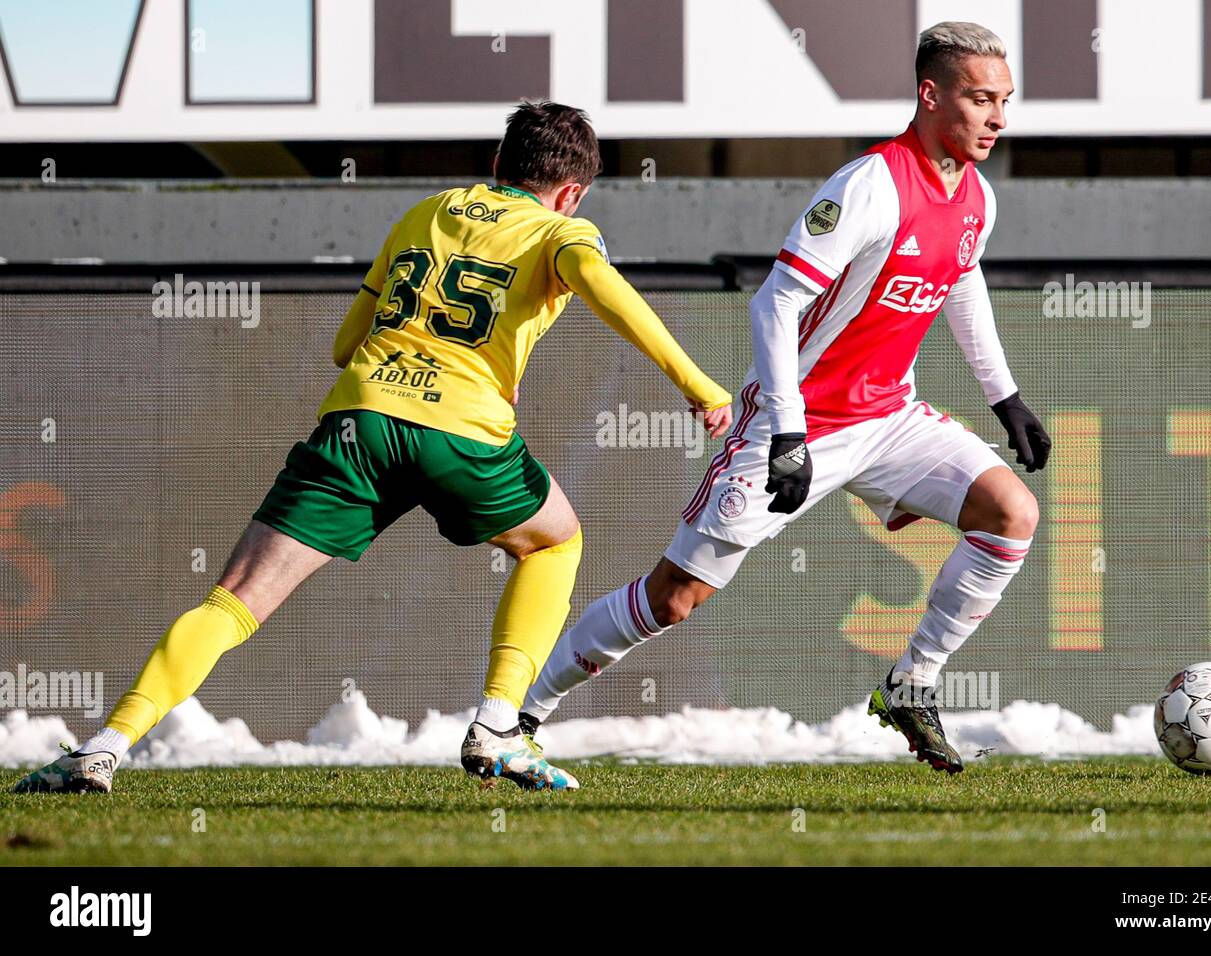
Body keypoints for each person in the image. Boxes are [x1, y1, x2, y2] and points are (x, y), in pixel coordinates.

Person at [14, 101, 733, 794]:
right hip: (459, 431)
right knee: (552, 542)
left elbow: (341, 347)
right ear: (570, 193)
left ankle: (106, 746)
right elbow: (603, 285)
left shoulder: (424, 213)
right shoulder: (562, 235)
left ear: (496, 163)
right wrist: (700, 386)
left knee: (233, 600)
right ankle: (496, 724)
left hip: (359, 418)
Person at [519, 23, 1050, 774]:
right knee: (674, 599)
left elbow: (960, 277)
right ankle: (522, 714)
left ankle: (912, 683)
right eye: (979, 99)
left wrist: (1005, 396)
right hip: (797, 422)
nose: (997, 117)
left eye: (1005, 100)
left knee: (1011, 515)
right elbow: (775, 300)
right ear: (931, 96)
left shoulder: (976, 198)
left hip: (890, 416)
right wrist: (787, 431)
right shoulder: (869, 185)